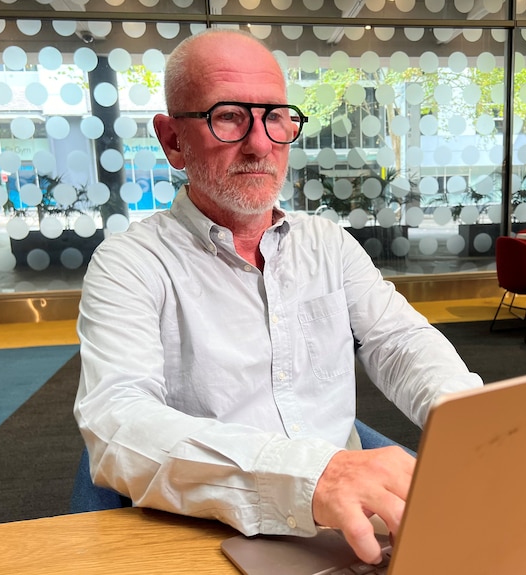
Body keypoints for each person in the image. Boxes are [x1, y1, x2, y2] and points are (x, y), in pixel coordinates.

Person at [74, 29, 483, 565]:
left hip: (350, 510)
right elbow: (117, 422)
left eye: (275, 117)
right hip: (211, 526)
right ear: (173, 140)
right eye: (228, 116)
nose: (261, 144)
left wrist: (473, 425)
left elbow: (400, 341)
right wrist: (316, 475)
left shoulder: (328, 244)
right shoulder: (130, 264)